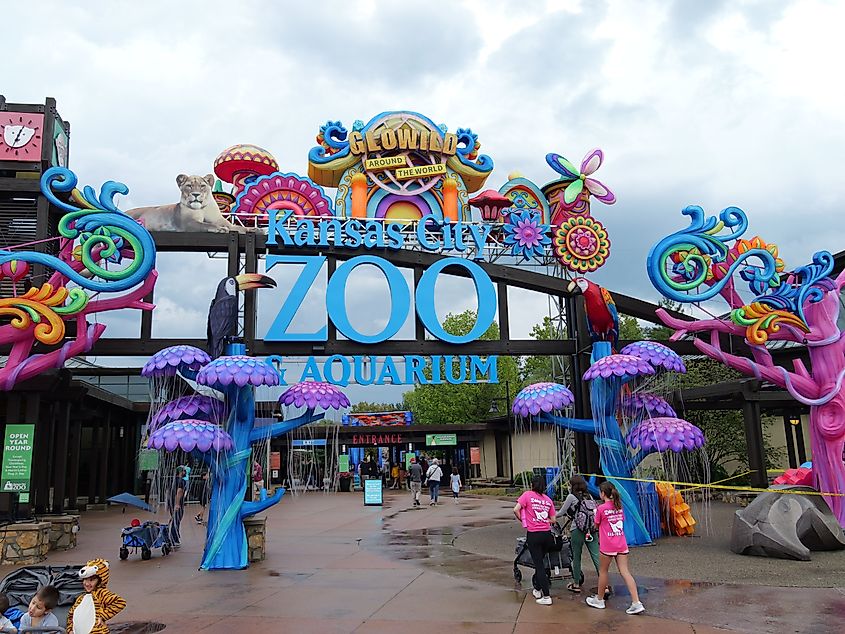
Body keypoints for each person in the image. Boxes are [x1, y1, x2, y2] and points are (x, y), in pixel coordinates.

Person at [586, 481, 645, 615]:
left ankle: (599, 599)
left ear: (602, 494)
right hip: (621, 543)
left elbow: (596, 525)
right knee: (625, 572)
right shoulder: (619, 506)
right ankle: (636, 602)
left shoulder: (601, 509)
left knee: (603, 571)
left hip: (607, 545)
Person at [513, 474, 557, 605]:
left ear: (532, 484)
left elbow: (516, 510)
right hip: (547, 535)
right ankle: (537, 588)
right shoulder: (548, 500)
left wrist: (524, 520)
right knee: (541, 563)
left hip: (534, 534)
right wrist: (544, 520)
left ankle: (547, 596)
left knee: (539, 565)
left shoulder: (527, 495)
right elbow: (553, 520)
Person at [557, 475, 600, 594]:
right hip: (591, 529)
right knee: (596, 556)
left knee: (576, 557)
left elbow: (561, 512)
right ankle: (604, 584)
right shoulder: (589, 496)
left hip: (578, 529)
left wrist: (550, 516)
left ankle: (576, 583)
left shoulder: (571, 497)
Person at [67, 559, 126, 634]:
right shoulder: (81, 597)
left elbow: (120, 602)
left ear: (100, 581)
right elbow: (71, 615)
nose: (87, 584)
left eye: (91, 580)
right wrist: (70, 629)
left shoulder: (101, 593)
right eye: (85, 579)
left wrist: (103, 616)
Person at [167, 465, 186, 549]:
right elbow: (179, 491)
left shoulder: (172, 480)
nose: (185, 473)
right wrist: (177, 503)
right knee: (177, 521)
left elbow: (168, 492)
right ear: (181, 472)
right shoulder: (181, 481)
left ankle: (174, 538)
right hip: (177, 504)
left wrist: (169, 503)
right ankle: (173, 539)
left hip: (171, 502)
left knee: (175, 520)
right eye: (184, 471)